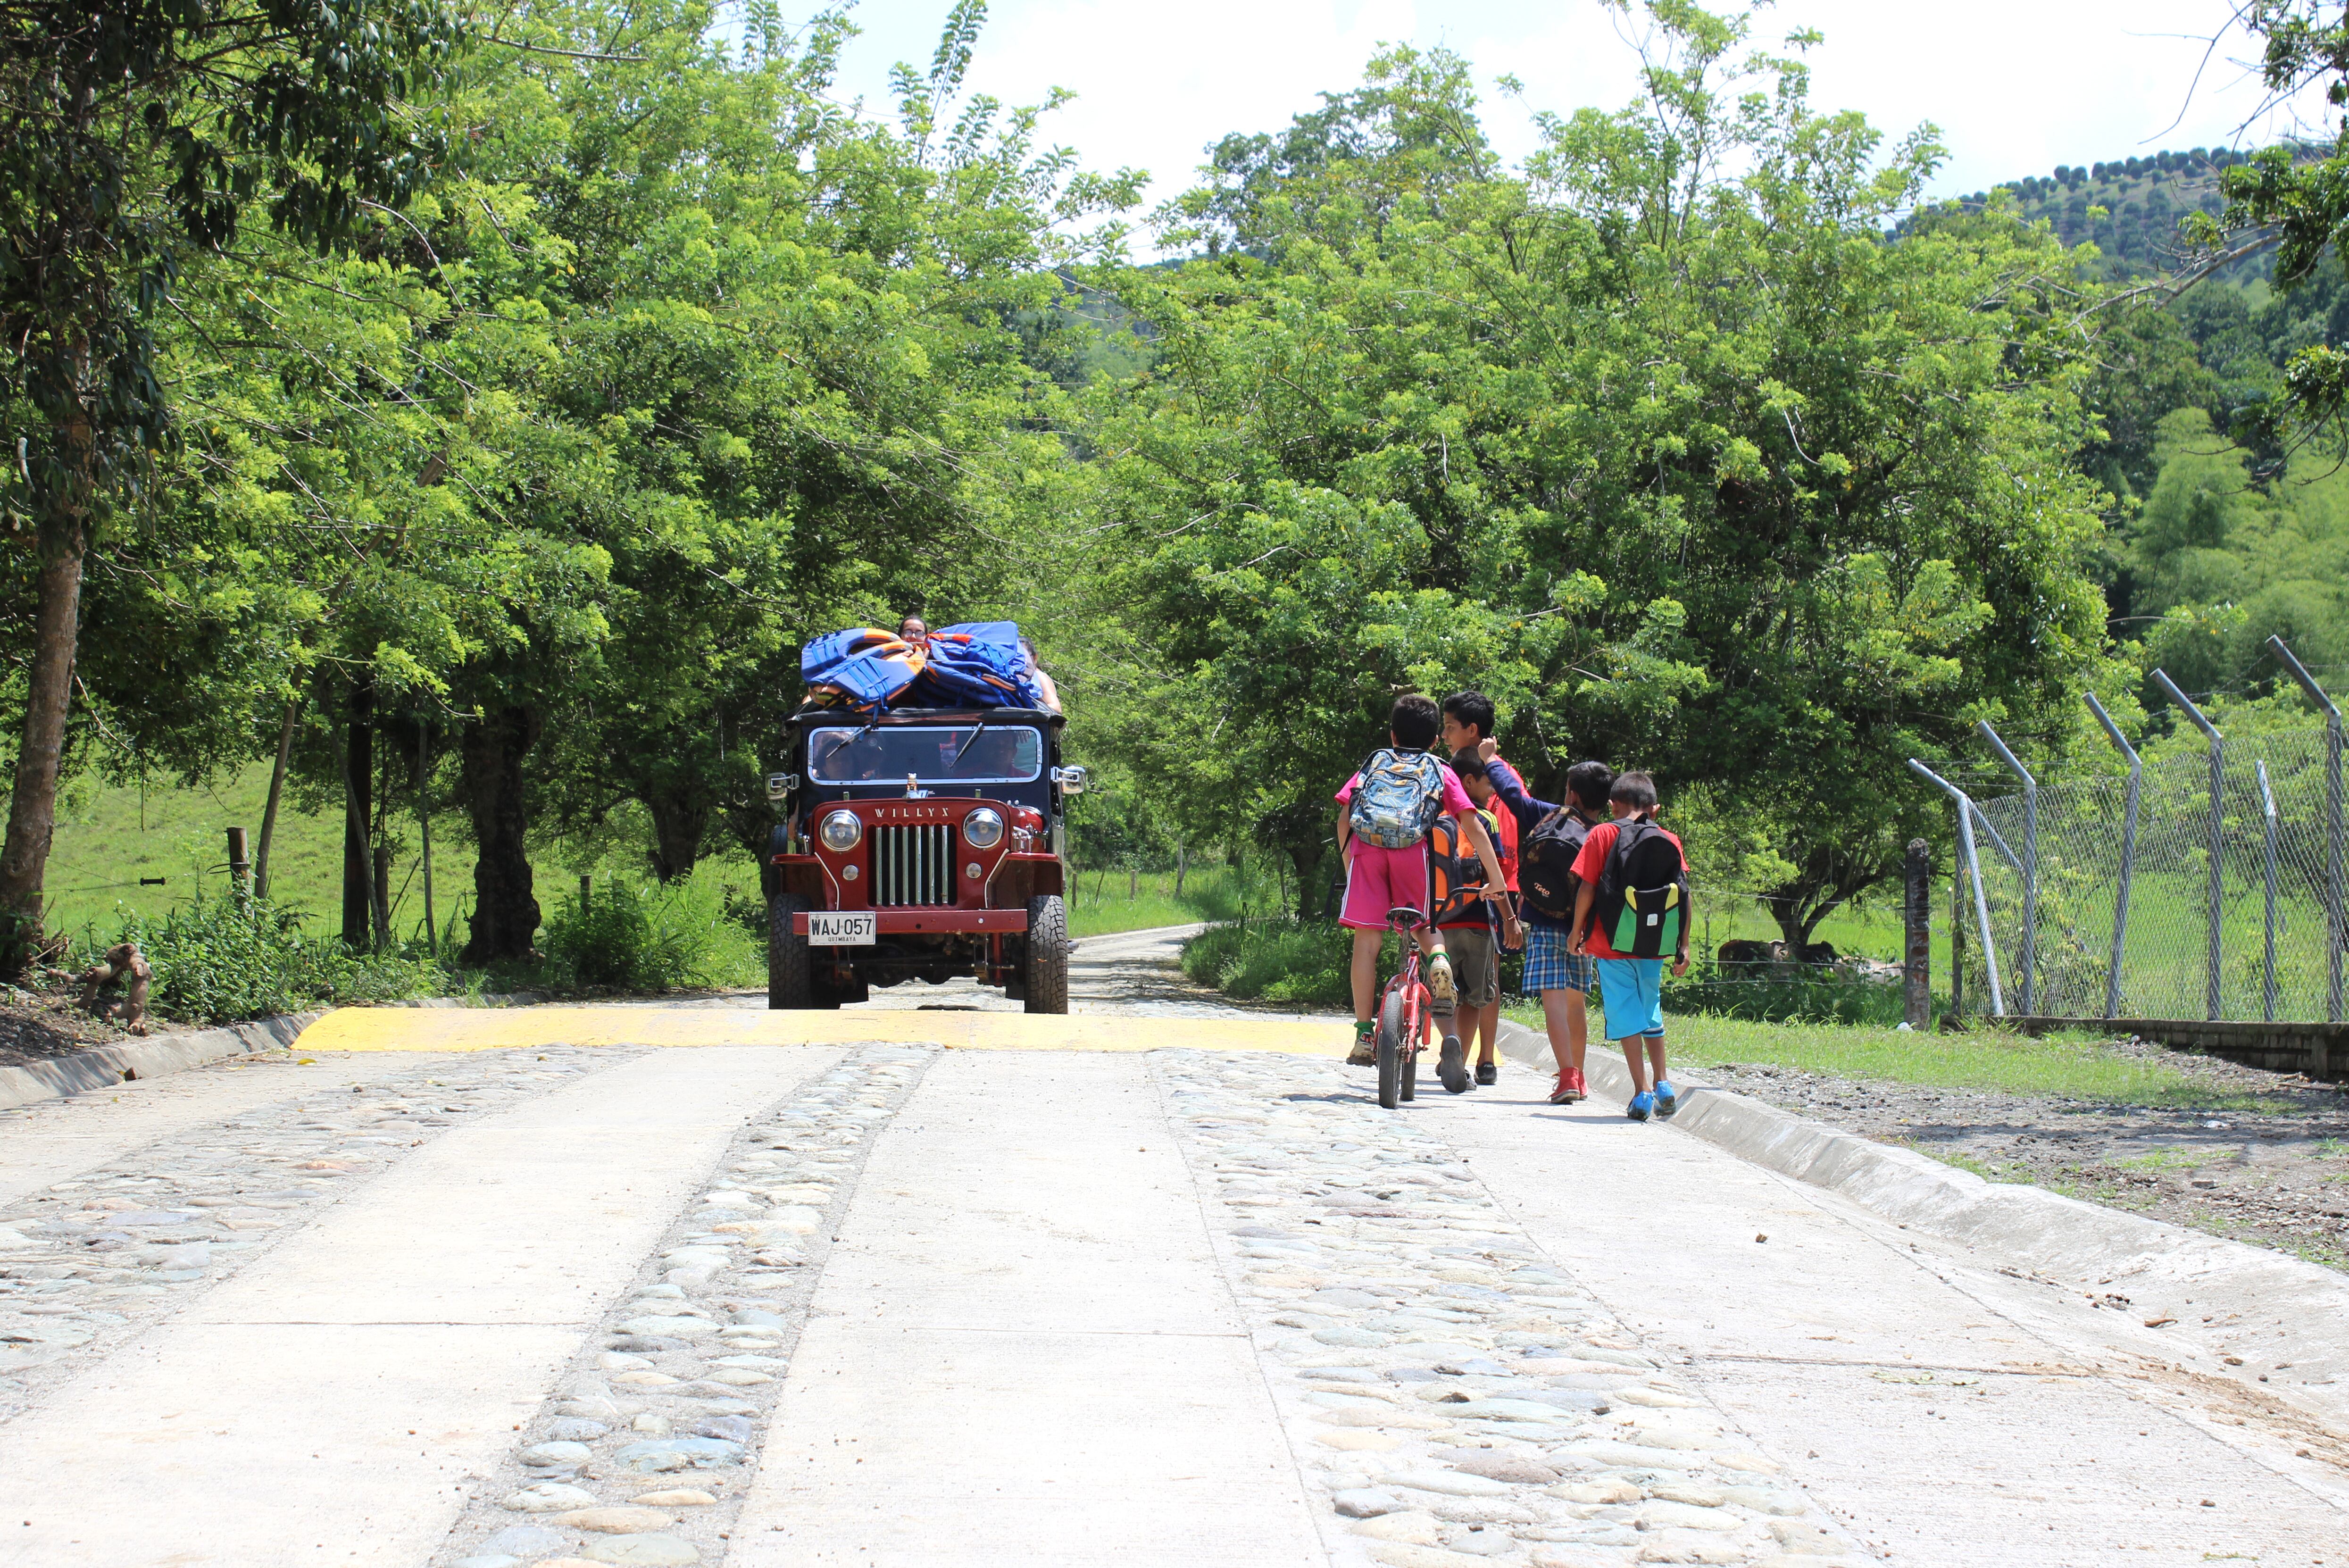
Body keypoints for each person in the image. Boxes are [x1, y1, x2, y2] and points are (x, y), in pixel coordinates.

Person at [1337, 694, 1521, 1093]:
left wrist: (1351, 866)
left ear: (1392, 733)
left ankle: (1365, 1034)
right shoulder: (1439, 769)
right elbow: (1472, 826)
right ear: (1436, 740)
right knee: (1424, 926)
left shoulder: (1376, 762)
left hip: (1367, 854)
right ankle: (1438, 961)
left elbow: (1345, 816)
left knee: (1366, 943)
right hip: (1413, 855)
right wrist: (1495, 878)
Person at [1478, 742, 1611, 1105]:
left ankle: (1566, 1075)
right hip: (1579, 931)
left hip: (1544, 921)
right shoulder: (1604, 834)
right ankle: (1579, 1077)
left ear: (1571, 792)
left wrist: (1490, 759)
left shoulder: (1546, 815)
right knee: (1575, 1003)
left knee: (1552, 999)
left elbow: (1511, 792)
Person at [1567, 771, 1691, 1121]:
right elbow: (1683, 893)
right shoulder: (1668, 838)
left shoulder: (1604, 833)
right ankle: (1664, 1081)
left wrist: (1577, 930)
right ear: (1654, 808)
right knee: (1650, 1006)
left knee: (1626, 1014)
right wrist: (1683, 943)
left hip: (1611, 943)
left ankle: (1641, 1091)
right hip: (1655, 943)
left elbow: (1588, 888)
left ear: (1613, 805)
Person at [1445, 757, 1520, 1086]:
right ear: (1471, 782)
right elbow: (1497, 877)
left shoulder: (1434, 815)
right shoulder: (1484, 819)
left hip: (1437, 921)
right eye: (1490, 784)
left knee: (1443, 993)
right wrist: (1510, 919)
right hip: (1478, 921)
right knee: (1476, 997)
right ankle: (1459, 1062)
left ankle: (1449, 1048)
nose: (1493, 792)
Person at [1017, 634, 1062, 713]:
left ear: (1035, 658)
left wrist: (1029, 710)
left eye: (1024, 656)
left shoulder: (1040, 676)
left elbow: (1056, 707)